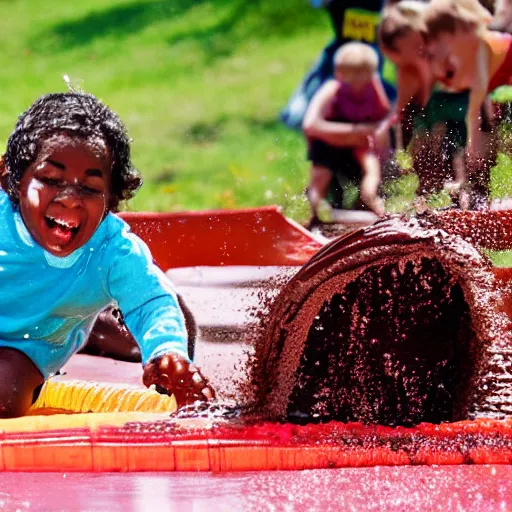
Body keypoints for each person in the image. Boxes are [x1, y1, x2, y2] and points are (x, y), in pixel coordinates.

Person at [0, 92, 215, 417]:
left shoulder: (112, 251)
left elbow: (151, 304)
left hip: (25, 348)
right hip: (57, 307)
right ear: (13, 180)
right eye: (51, 179)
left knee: (5, 396)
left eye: (89, 188)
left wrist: (167, 351)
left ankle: (105, 321)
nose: (70, 199)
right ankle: (101, 323)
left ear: (112, 198)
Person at [379, 0, 497, 208]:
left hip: (463, 113)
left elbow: (478, 92)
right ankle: (433, 205)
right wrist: (401, 146)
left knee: (467, 158)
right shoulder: (411, 72)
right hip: (437, 119)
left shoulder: (449, 52)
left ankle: (473, 198)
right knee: (430, 146)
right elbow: (404, 110)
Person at [303, 42, 391, 223]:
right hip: (329, 143)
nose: (358, 84)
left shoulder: (373, 88)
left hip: (358, 146)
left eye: (364, 77)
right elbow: (310, 125)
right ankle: (313, 207)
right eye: (351, 78)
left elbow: (382, 122)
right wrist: (353, 131)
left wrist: (382, 149)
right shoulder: (333, 88)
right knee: (321, 175)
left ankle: (373, 203)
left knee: (372, 170)